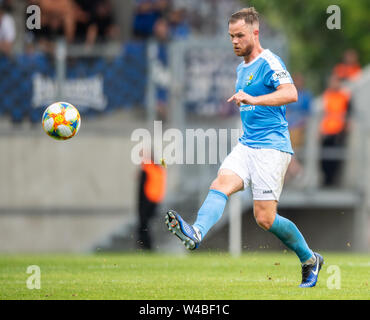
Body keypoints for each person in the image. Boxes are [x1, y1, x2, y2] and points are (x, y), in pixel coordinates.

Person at [165, 7, 324, 288]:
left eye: (240, 35)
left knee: (265, 218)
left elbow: (291, 93)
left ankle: (310, 259)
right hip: (247, 145)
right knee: (221, 183)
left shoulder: (269, 62)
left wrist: (253, 99)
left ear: (255, 32)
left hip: (272, 148)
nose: (235, 41)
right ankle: (197, 233)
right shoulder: (241, 68)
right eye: (231, 36)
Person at [320, 74, 351, 186]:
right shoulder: (327, 94)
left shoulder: (344, 95)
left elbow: (348, 112)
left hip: (338, 131)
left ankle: (332, 181)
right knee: (324, 158)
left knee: (336, 158)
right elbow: (324, 113)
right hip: (327, 130)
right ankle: (325, 180)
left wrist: (346, 126)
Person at [137, 153, 167, 250]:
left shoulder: (147, 169)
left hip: (147, 200)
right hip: (155, 200)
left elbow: (142, 189)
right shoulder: (158, 169)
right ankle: (146, 245)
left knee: (144, 224)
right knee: (147, 224)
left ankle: (146, 245)